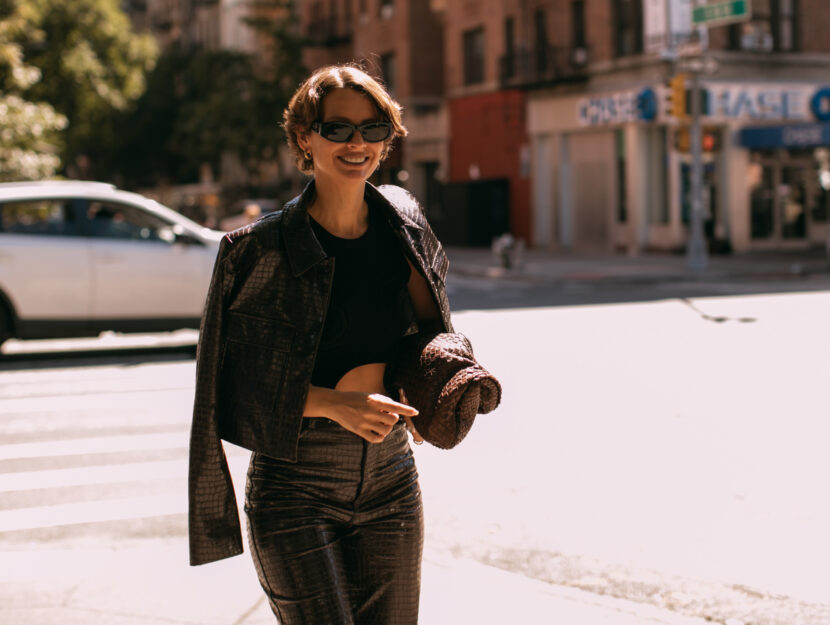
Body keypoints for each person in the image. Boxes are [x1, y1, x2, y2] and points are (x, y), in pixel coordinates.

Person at [188, 64, 454, 625]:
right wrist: (337, 404)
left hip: (392, 480)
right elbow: (226, 389)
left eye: (373, 128)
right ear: (305, 137)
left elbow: (433, 336)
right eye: (337, 128)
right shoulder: (258, 250)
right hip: (295, 487)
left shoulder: (402, 225)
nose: (357, 143)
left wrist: (449, 380)